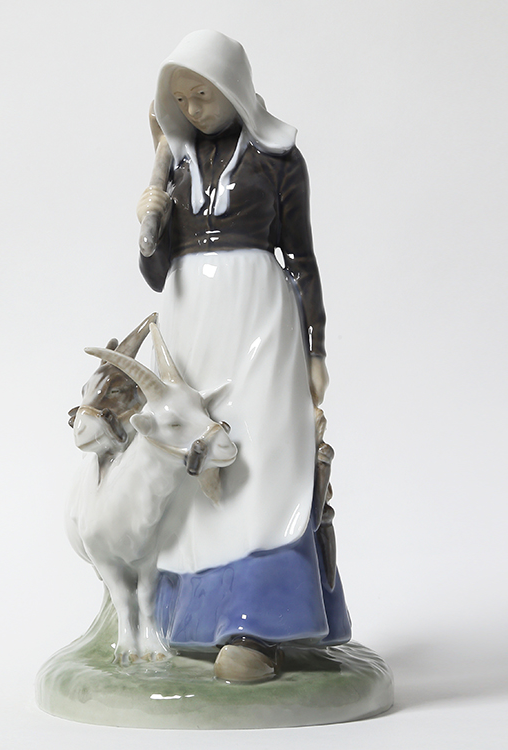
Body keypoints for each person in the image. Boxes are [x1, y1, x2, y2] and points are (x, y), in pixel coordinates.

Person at [136, 30, 351, 682]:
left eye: (203, 94)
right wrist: (148, 220)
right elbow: (155, 274)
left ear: (233, 86)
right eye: (181, 99)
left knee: (263, 458)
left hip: (259, 322)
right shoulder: (175, 165)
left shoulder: (278, 159)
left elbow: (302, 259)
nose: (193, 108)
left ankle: (257, 626)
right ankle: (181, 620)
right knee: (194, 464)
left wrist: (315, 347)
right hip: (189, 327)